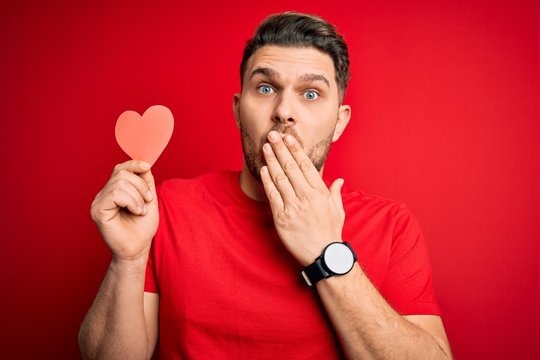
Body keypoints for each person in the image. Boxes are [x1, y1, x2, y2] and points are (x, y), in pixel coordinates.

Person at [79, 12, 452, 360]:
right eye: (266, 88)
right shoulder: (168, 209)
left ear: (339, 122)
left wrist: (326, 251)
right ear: (238, 110)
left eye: (310, 93)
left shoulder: (391, 226)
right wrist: (127, 261)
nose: (284, 110)